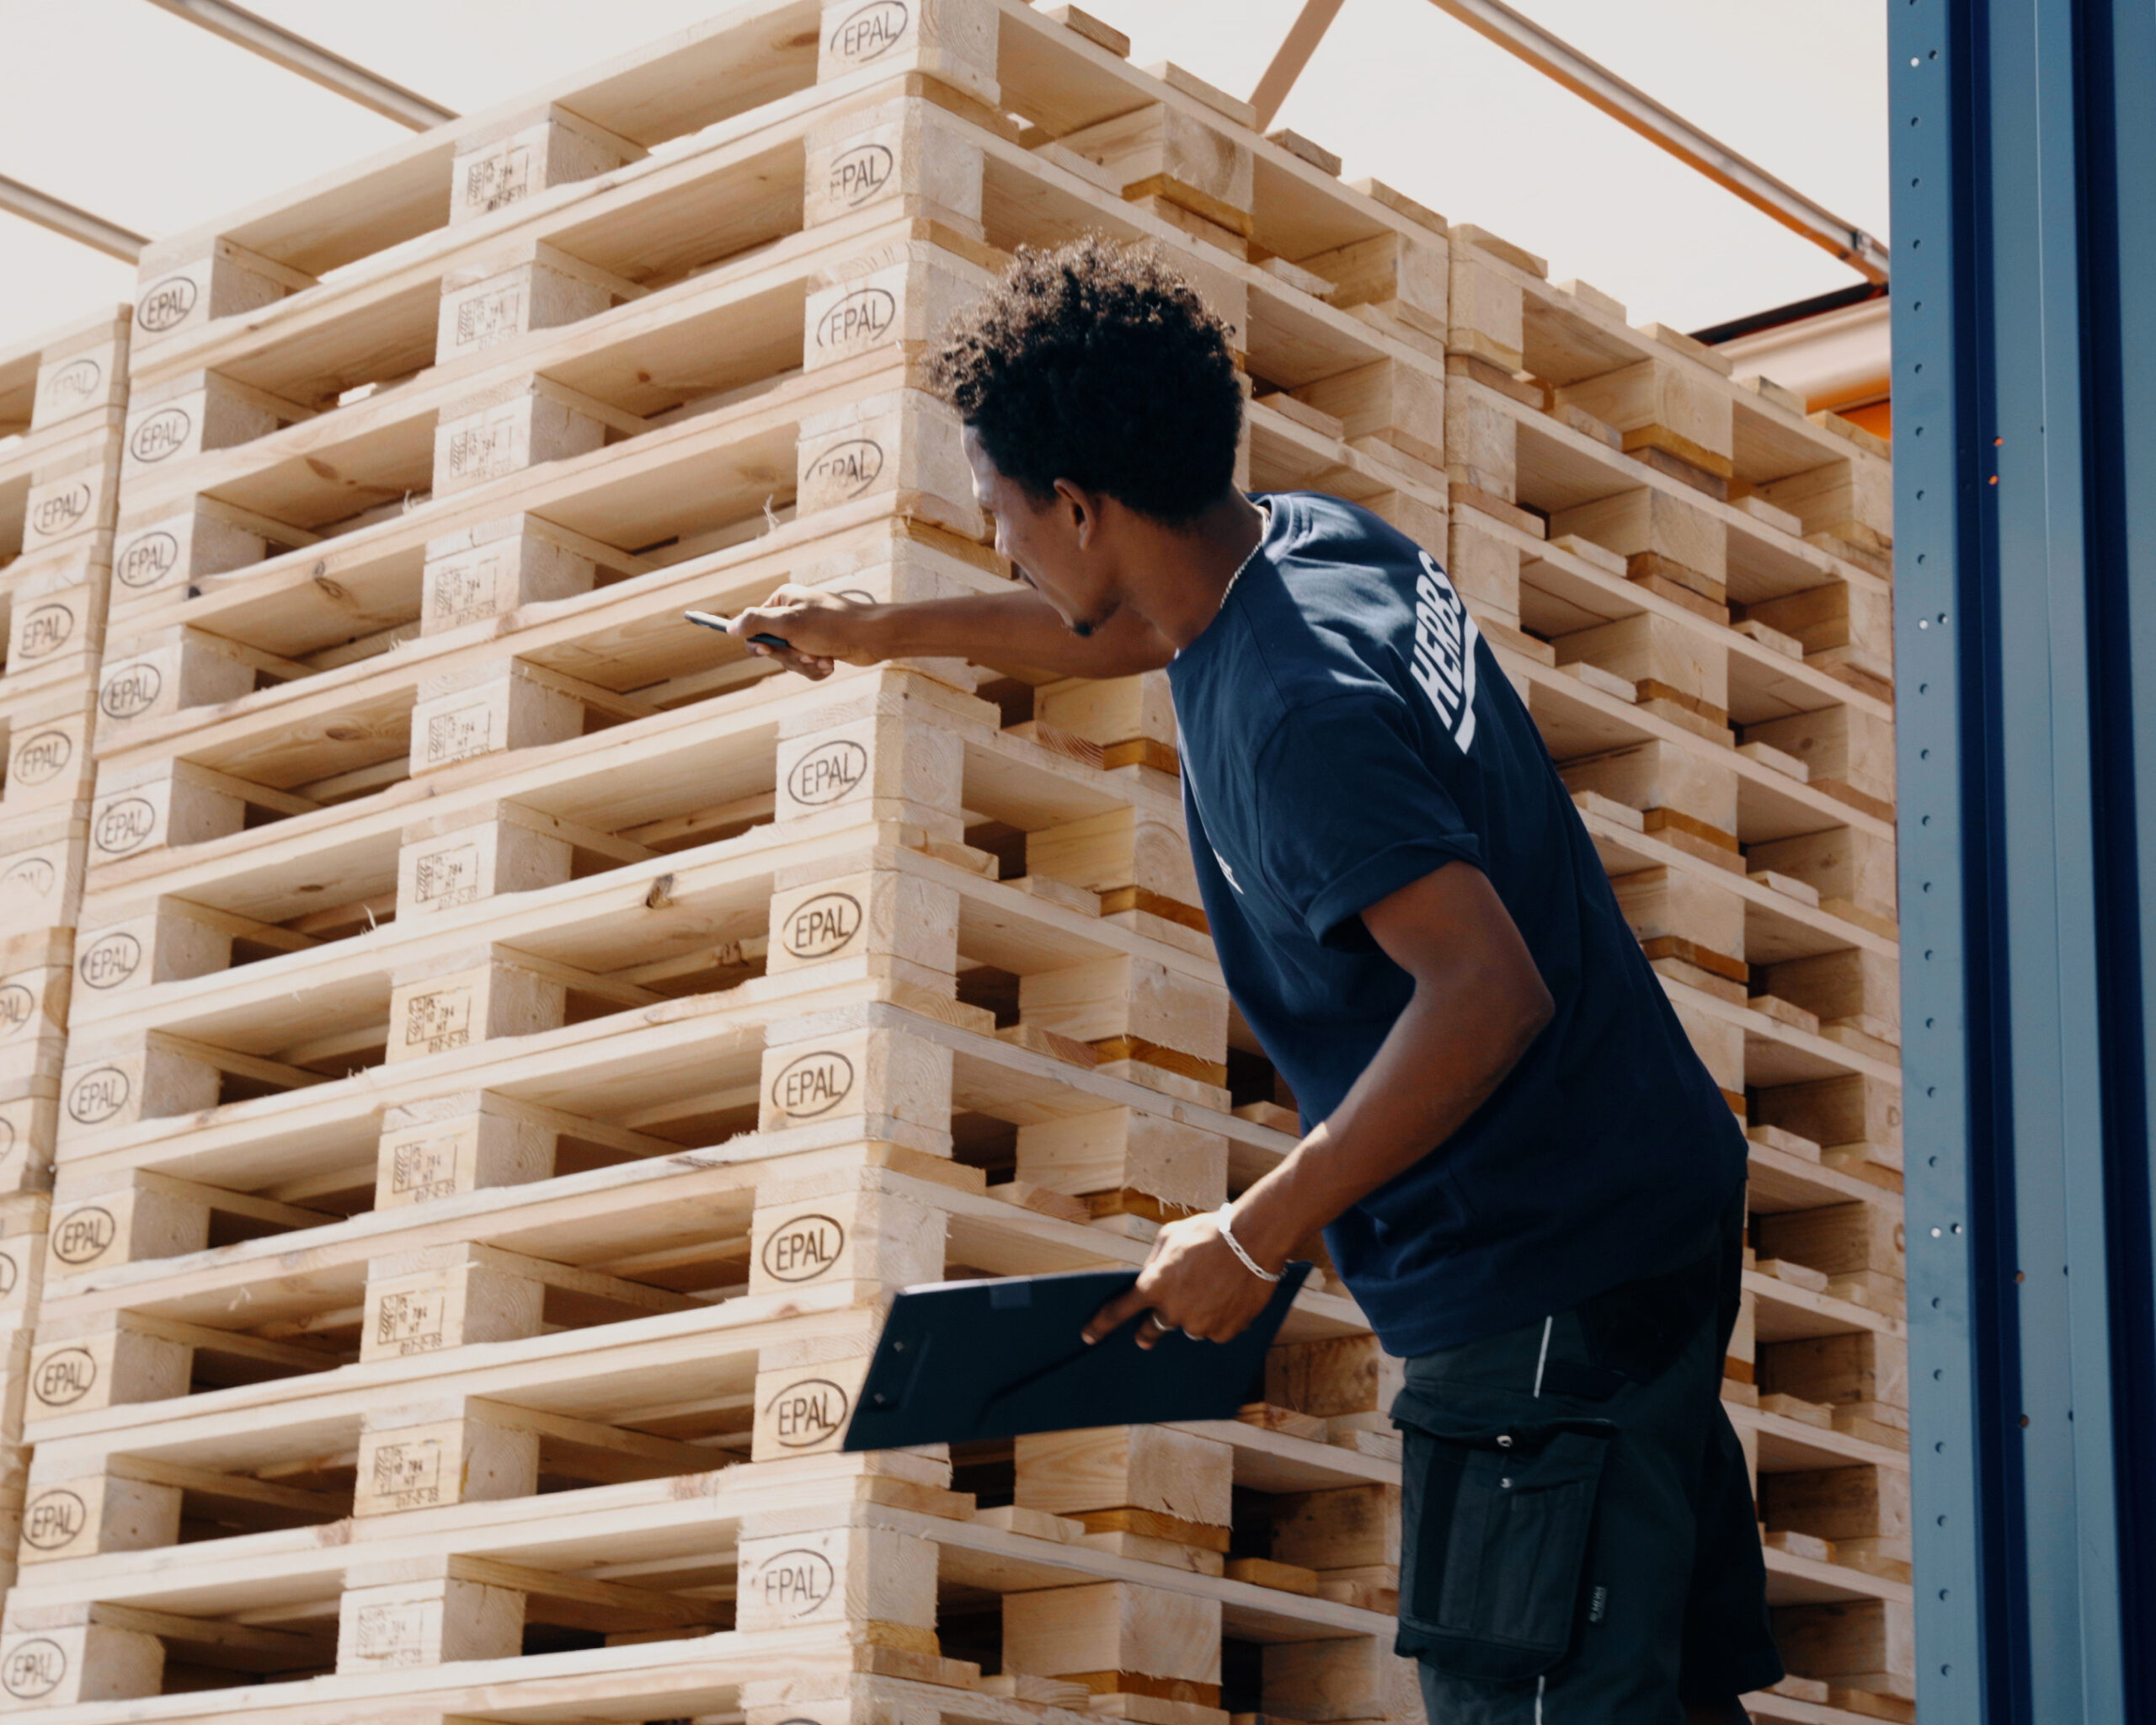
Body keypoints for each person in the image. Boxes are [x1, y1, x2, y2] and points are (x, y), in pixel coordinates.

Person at [721, 237, 1783, 1722]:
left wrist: (1252, 1230)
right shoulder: (1302, 546)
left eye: (1006, 521)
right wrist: (878, 631)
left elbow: (1487, 994)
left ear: (1082, 505)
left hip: (1546, 1281)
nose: (1005, 549)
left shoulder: (1295, 719)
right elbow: (1129, 621)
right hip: (1644, 1206)